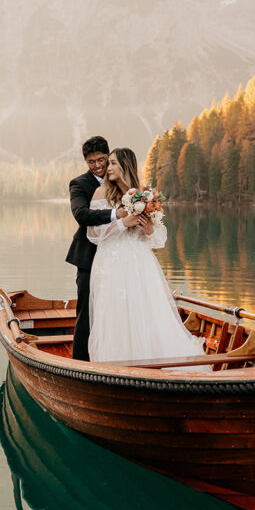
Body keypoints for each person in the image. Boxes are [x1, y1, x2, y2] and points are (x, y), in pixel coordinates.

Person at [86, 147, 207, 365]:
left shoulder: (144, 196)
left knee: (145, 311)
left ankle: (151, 361)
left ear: (126, 166)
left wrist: (149, 228)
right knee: (115, 313)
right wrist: (124, 223)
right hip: (111, 263)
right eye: (108, 163)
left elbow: (160, 238)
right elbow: (93, 234)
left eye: (113, 163)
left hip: (140, 263)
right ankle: (116, 364)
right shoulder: (101, 193)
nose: (107, 168)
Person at [66, 136, 128, 361]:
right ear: (86, 161)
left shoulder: (120, 178)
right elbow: (81, 215)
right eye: (91, 162)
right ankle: (80, 362)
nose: (98, 166)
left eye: (102, 159)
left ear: (108, 156)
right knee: (86, 310)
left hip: (119, 256)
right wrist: (116, 214)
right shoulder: (79, 184)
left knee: (118, 307)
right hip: (89, 257)